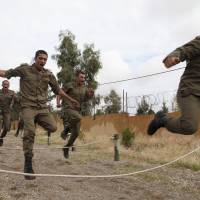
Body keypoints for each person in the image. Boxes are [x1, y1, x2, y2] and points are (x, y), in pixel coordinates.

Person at [0, 50, 79, 180]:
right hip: (28, 107)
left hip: (42, 108)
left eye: (45, 59)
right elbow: (6, 73)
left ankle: (35, 121)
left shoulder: (48, 74)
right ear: (35, 58)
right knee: (29, 132)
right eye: (41, 58)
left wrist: (70, 99)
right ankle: (28, 163)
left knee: (53, 127)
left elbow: (57, 89)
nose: (43, 61)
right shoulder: (24, 70)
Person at [147, 36, 200, 136]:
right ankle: (163, 120)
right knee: (189, 126)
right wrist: (175, 56)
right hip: (191, 90)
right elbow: (184, 50)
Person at [56, 70, 94, 159]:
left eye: (84, 78)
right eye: (81, 77)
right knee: (78, 118)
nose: (83, 79)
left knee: (76, 133)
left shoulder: (85, 89)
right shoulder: (69, 85)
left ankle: (66, 147)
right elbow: (59, 93)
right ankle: (65, 130)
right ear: (76, 77)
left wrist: (90, 96)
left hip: (77, 111)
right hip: (67, 109)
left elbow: (85, 100)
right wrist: (58, 103)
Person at [0, 80, 16, 146]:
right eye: (4, 84)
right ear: (2, 85)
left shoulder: (12, 93)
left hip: (7, 111)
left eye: (7, 84)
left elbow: (15, 100)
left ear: (9, 85)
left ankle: (1, 137)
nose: (6, 85)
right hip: (0, 110)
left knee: (7, 128)